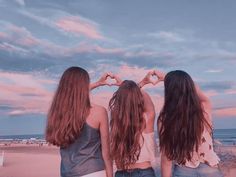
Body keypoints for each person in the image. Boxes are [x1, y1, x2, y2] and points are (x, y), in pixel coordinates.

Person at [142, 70, 223, 177]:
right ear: (190, 88)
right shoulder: (204, 110)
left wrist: (168, 80)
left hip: (183, 171)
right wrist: (169, 78)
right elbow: (196, 90)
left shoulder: (165, 120)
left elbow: (166, 159)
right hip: (210, 169)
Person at [45, 66, 113, 177]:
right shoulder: (99, 112)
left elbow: (72, 94)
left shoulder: (58, 114)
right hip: (93, 171)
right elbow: (106, 154)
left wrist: (98, 83)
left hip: (67, 173)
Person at [109, 76, 157, 177]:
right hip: (144, 172)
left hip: (121, 173)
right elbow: (144, 97)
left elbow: (126, 97)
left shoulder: (116, 122)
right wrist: (140, 84)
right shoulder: (147, 118)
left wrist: (124, 88)